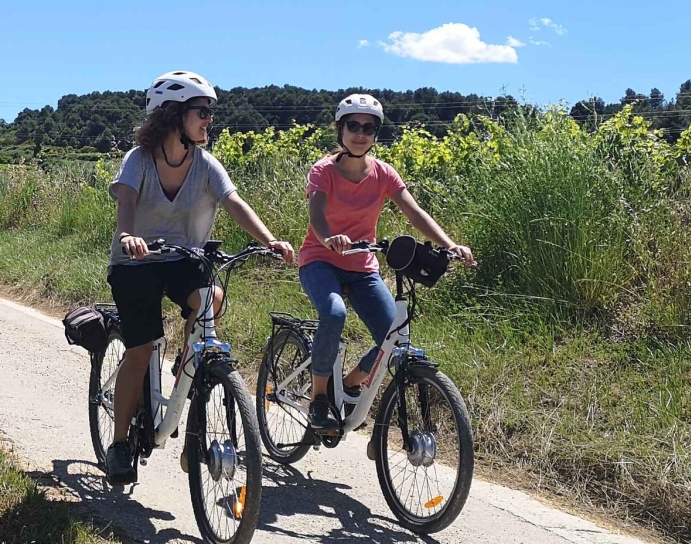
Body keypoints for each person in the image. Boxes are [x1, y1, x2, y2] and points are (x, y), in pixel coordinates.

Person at [105, 70, 297, 486]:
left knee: (212, 298)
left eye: (210, 112)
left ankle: (186, 370)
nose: (209, 120)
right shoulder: (138, 159)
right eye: (202, 112)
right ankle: (119, 443)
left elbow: (234, 201)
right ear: (173, 115)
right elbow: (126, 203)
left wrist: (269, 240)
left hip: (183, 259)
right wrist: (128, 235)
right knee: (140, 349)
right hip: (136, 262)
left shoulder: (206, 165)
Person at [298, 93, 474, 436]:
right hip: (320, 259)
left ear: (376, 134)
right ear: (340, 129)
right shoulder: (324, 170)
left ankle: (351, 382)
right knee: (334, 314)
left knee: (395, 333)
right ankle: (319, 399)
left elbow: (414, 213)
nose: (360, 133)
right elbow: (317, 214)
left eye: (369, 128)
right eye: (353, 125)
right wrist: (329, 238)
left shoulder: (383, 173)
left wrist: (449, 244)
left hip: (362, 266)